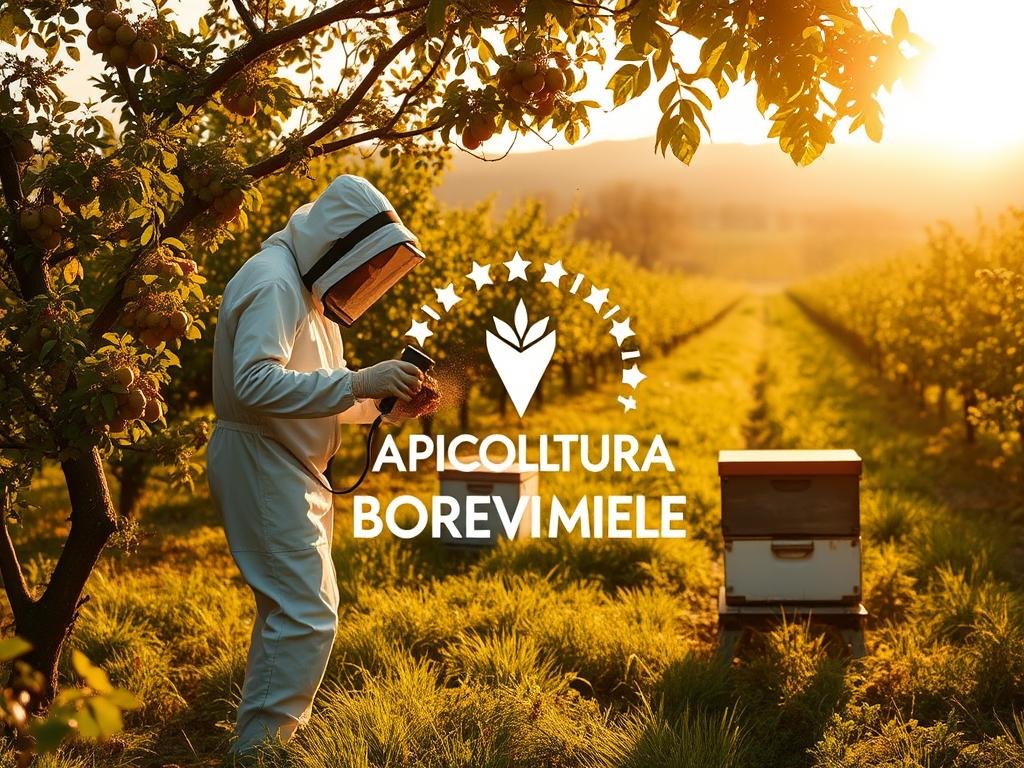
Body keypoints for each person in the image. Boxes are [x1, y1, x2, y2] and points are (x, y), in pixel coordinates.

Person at [206, 175, 433, 755]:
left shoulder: (305, 292)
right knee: (305, 613)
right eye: (363, 265)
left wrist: (384, 403)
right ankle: (261, 753)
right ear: (340, 244)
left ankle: (261, 746)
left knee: (295, 609)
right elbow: (255, 384)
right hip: (263, 458)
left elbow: (312, 389)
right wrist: (361, 379)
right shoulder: (273, 282)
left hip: (286, 459)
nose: (363, 280)